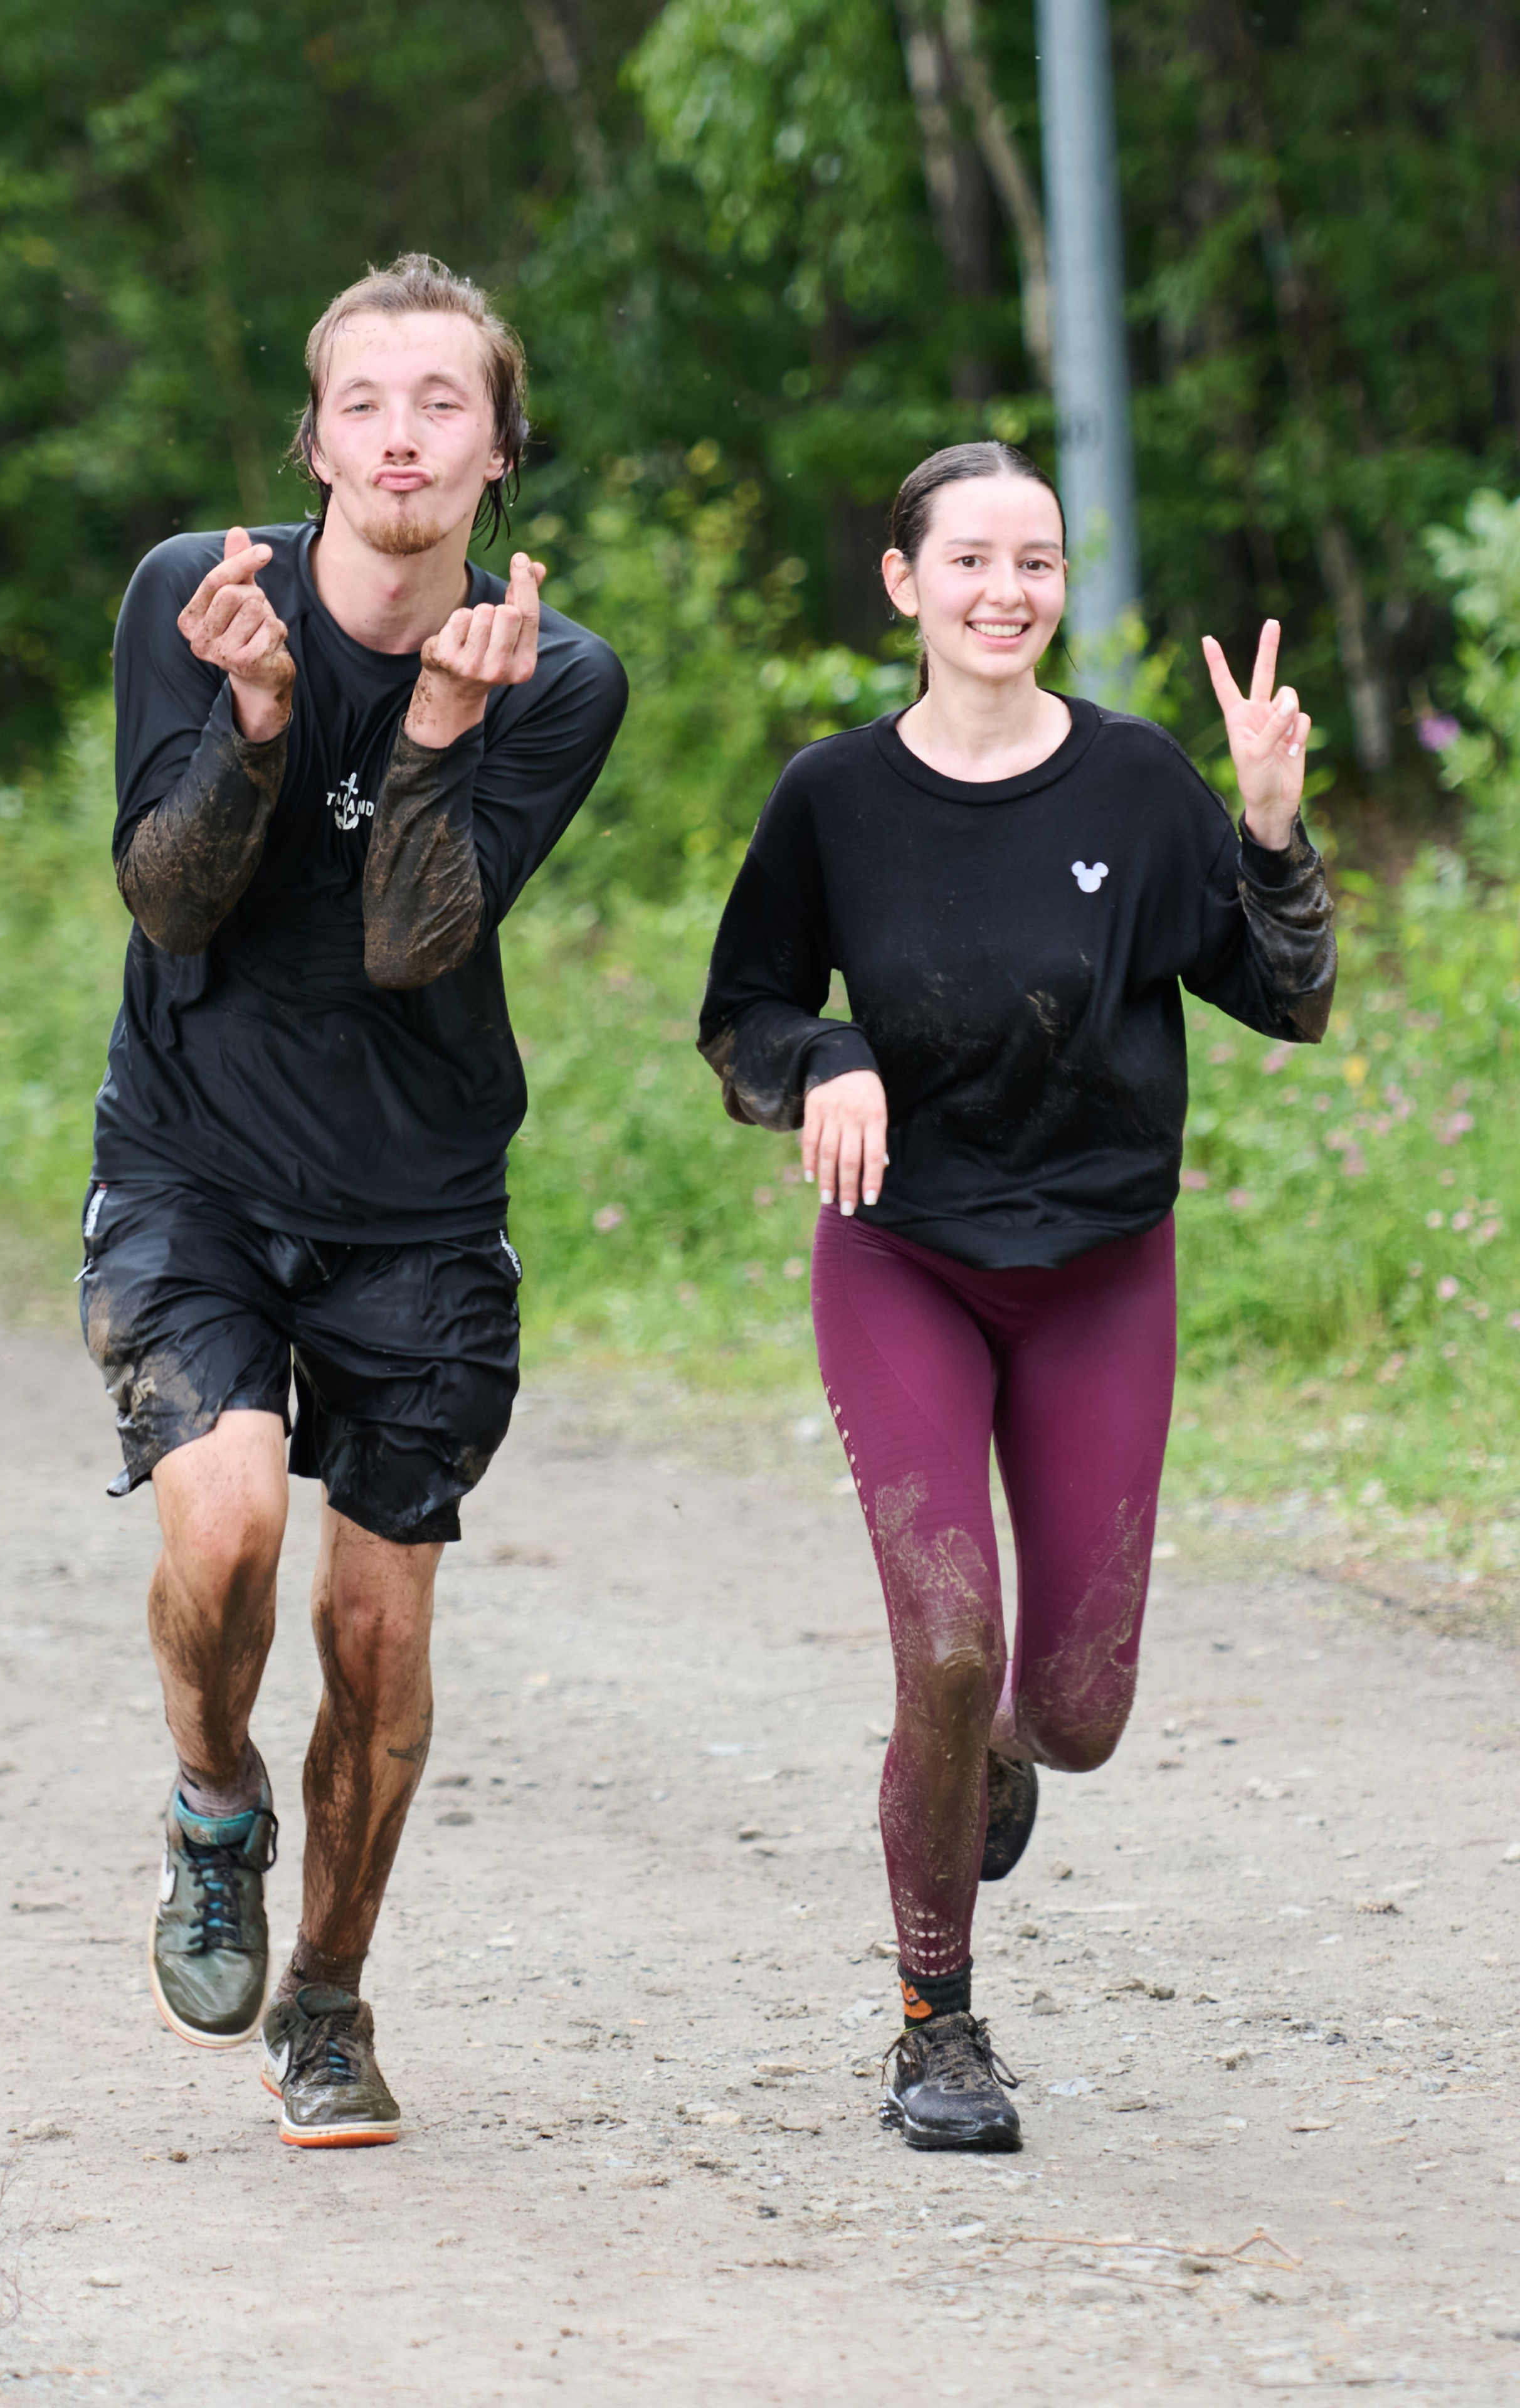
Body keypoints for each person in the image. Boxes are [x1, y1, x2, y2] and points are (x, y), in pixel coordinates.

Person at [697, 441, 1335, 2152]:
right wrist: (821, 1059)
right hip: (904, 1256)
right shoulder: (833, 796)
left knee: (1074, 1711)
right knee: (950, 1641)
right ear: (903, 582)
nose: (1006, 590)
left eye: (1037, 561)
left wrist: (1270, 828)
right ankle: (935, 2022)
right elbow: (743, 1013)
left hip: (1102, 1273)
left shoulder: (1134, 787)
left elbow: (1287, 1001)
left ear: (1062, 583)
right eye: (969, 558)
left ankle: (988, 1750)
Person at [80, 254, 626, 2147]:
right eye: (366, 402)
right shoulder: (192, 593)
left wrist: (438, 738)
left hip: (418, 1196)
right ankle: (212, 1803)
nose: (401, 434)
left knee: (380, 1638)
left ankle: (326, 1997)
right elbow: (166, 903)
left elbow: (412, 943)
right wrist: (249, 723)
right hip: (195, 1160)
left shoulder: (556, 675)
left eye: (443, 405)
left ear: (498, 457)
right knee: (223, 1533)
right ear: (313, 435)